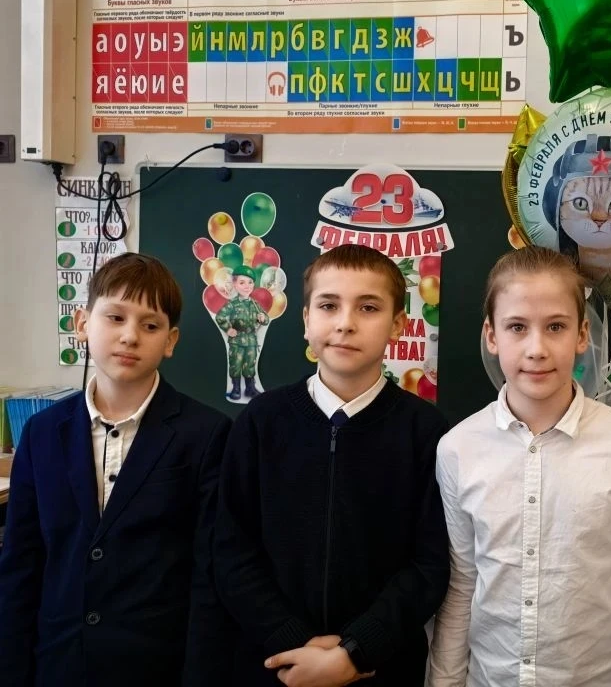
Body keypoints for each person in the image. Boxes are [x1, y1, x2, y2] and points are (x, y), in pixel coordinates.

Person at [428, 246, 611, 686]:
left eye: (555, 327)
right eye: (517, 327)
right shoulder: (458, 449)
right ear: (491, 335)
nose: (536, 349)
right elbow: (461, 586)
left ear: (582, 335)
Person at [214, 244, 450, 686]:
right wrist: (294, 643)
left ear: (398, 325)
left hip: (382, 667)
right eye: (328, 306)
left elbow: (430, 565)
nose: (345, 323)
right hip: (276, 663)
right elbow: (231, 549)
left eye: (368, 307)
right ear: (306, 320)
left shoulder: (426, 432)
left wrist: (355, 652)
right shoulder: (261, 422)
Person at [0, 252, 234, 686]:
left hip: (156, 667)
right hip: (58, 663)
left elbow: (209, 576)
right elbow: (21, 564)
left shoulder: (207, 434)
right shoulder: (41, 433)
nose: (130, 336)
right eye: (115, 317)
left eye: (150, 325)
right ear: (83, 323)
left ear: (170, 340)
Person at [215, 264, 267, 400]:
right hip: (237, 339)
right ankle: (236, 388)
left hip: (251, 339)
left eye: (250, 282)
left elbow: (265, 319)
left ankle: (250, 388)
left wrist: (263, 318)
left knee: (250, 364)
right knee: (235, 364)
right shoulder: (232, 304)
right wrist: (228, 329)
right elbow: (220, 316)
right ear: (235, 284)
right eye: (242, 282)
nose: (247, 286)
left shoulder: (254, 304)